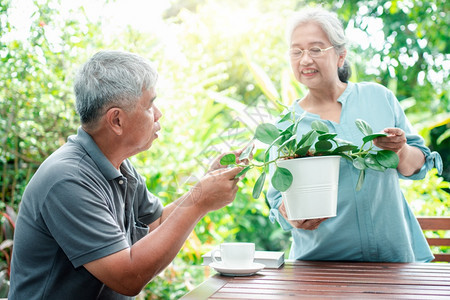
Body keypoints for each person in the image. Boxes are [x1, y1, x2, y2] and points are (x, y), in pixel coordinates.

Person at [9, 50, 246, 299]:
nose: (158, 114)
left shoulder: (118, 165)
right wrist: (200, 202)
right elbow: (127, 278)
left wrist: (205, 184)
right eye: (149, 104)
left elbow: (158, 223)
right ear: (117, 120)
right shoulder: (68, 180)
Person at [267, 7, 442, 262]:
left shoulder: (379, 97)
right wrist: (289, 213)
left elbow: (418, 167)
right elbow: (278, 203)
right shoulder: (286, 126)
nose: (305, 60)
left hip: (393, 260)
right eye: (297, 51)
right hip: (321, 267)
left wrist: (400, 150)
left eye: (316, 49)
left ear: (340, 56)